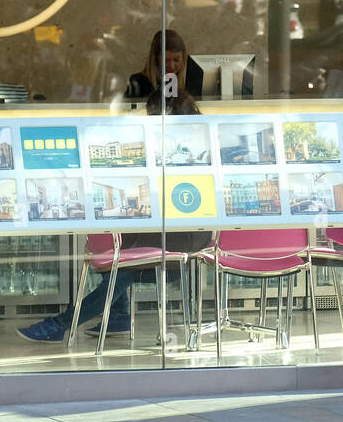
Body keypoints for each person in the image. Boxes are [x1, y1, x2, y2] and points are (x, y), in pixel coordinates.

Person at [19, 31, 210, 343]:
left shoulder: (190, 106)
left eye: (178, 60)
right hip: (174, 223)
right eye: (167, 61)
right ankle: (113, 317)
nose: (173, 66)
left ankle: (64, 323)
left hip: (175, 231)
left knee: (124, 261)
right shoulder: (144, 89)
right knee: (122, 254)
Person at [125, 28, 203, 101]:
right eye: (166, 60)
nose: (172, 66)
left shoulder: (192, 77)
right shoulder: (139, 82)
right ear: (155, 60)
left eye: (176, 60)